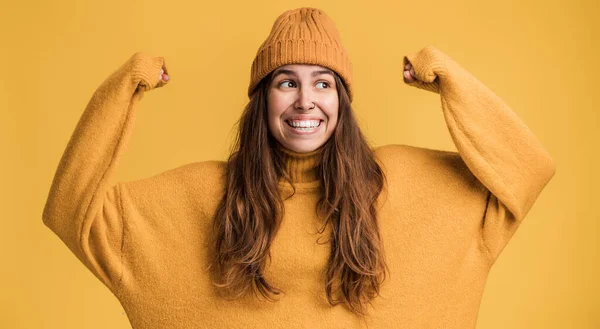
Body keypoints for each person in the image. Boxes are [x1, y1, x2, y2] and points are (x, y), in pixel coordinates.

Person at [42, 7, 556, 329]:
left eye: (323, 83)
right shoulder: (204, 195)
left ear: (342, 100)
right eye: (286, 82)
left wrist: (448, 77)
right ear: (262, 99)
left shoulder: (404, 182)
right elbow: (70, 211)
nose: (305, 101)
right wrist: (124, 87)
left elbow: (527, 169)